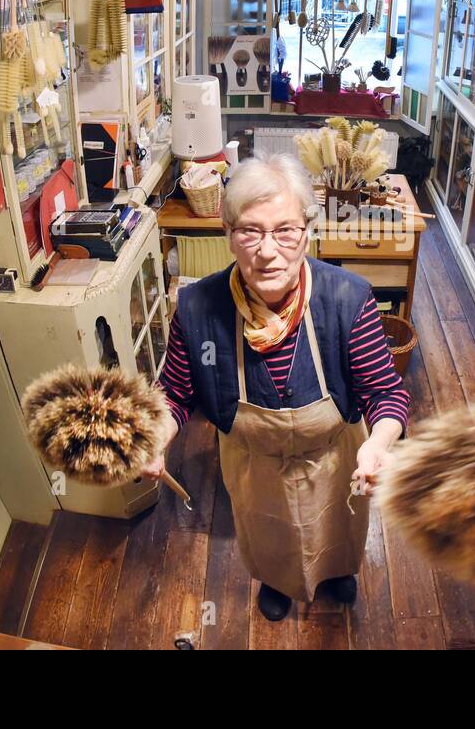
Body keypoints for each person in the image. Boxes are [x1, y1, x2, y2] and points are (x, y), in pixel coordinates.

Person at [146, 155, 410, 621]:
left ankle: (337, 573)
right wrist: (154, 438)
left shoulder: (348, 299)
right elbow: (176, 393)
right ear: (228, 234)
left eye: (285, 230)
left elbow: (385, 393)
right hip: (254, 468)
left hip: (333, 461)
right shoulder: (197, 309)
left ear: (307, 231)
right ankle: (276, 580)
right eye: (250, 231)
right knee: (268, 537)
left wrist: (380, 443)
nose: (268, 251)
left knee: (338, 530)